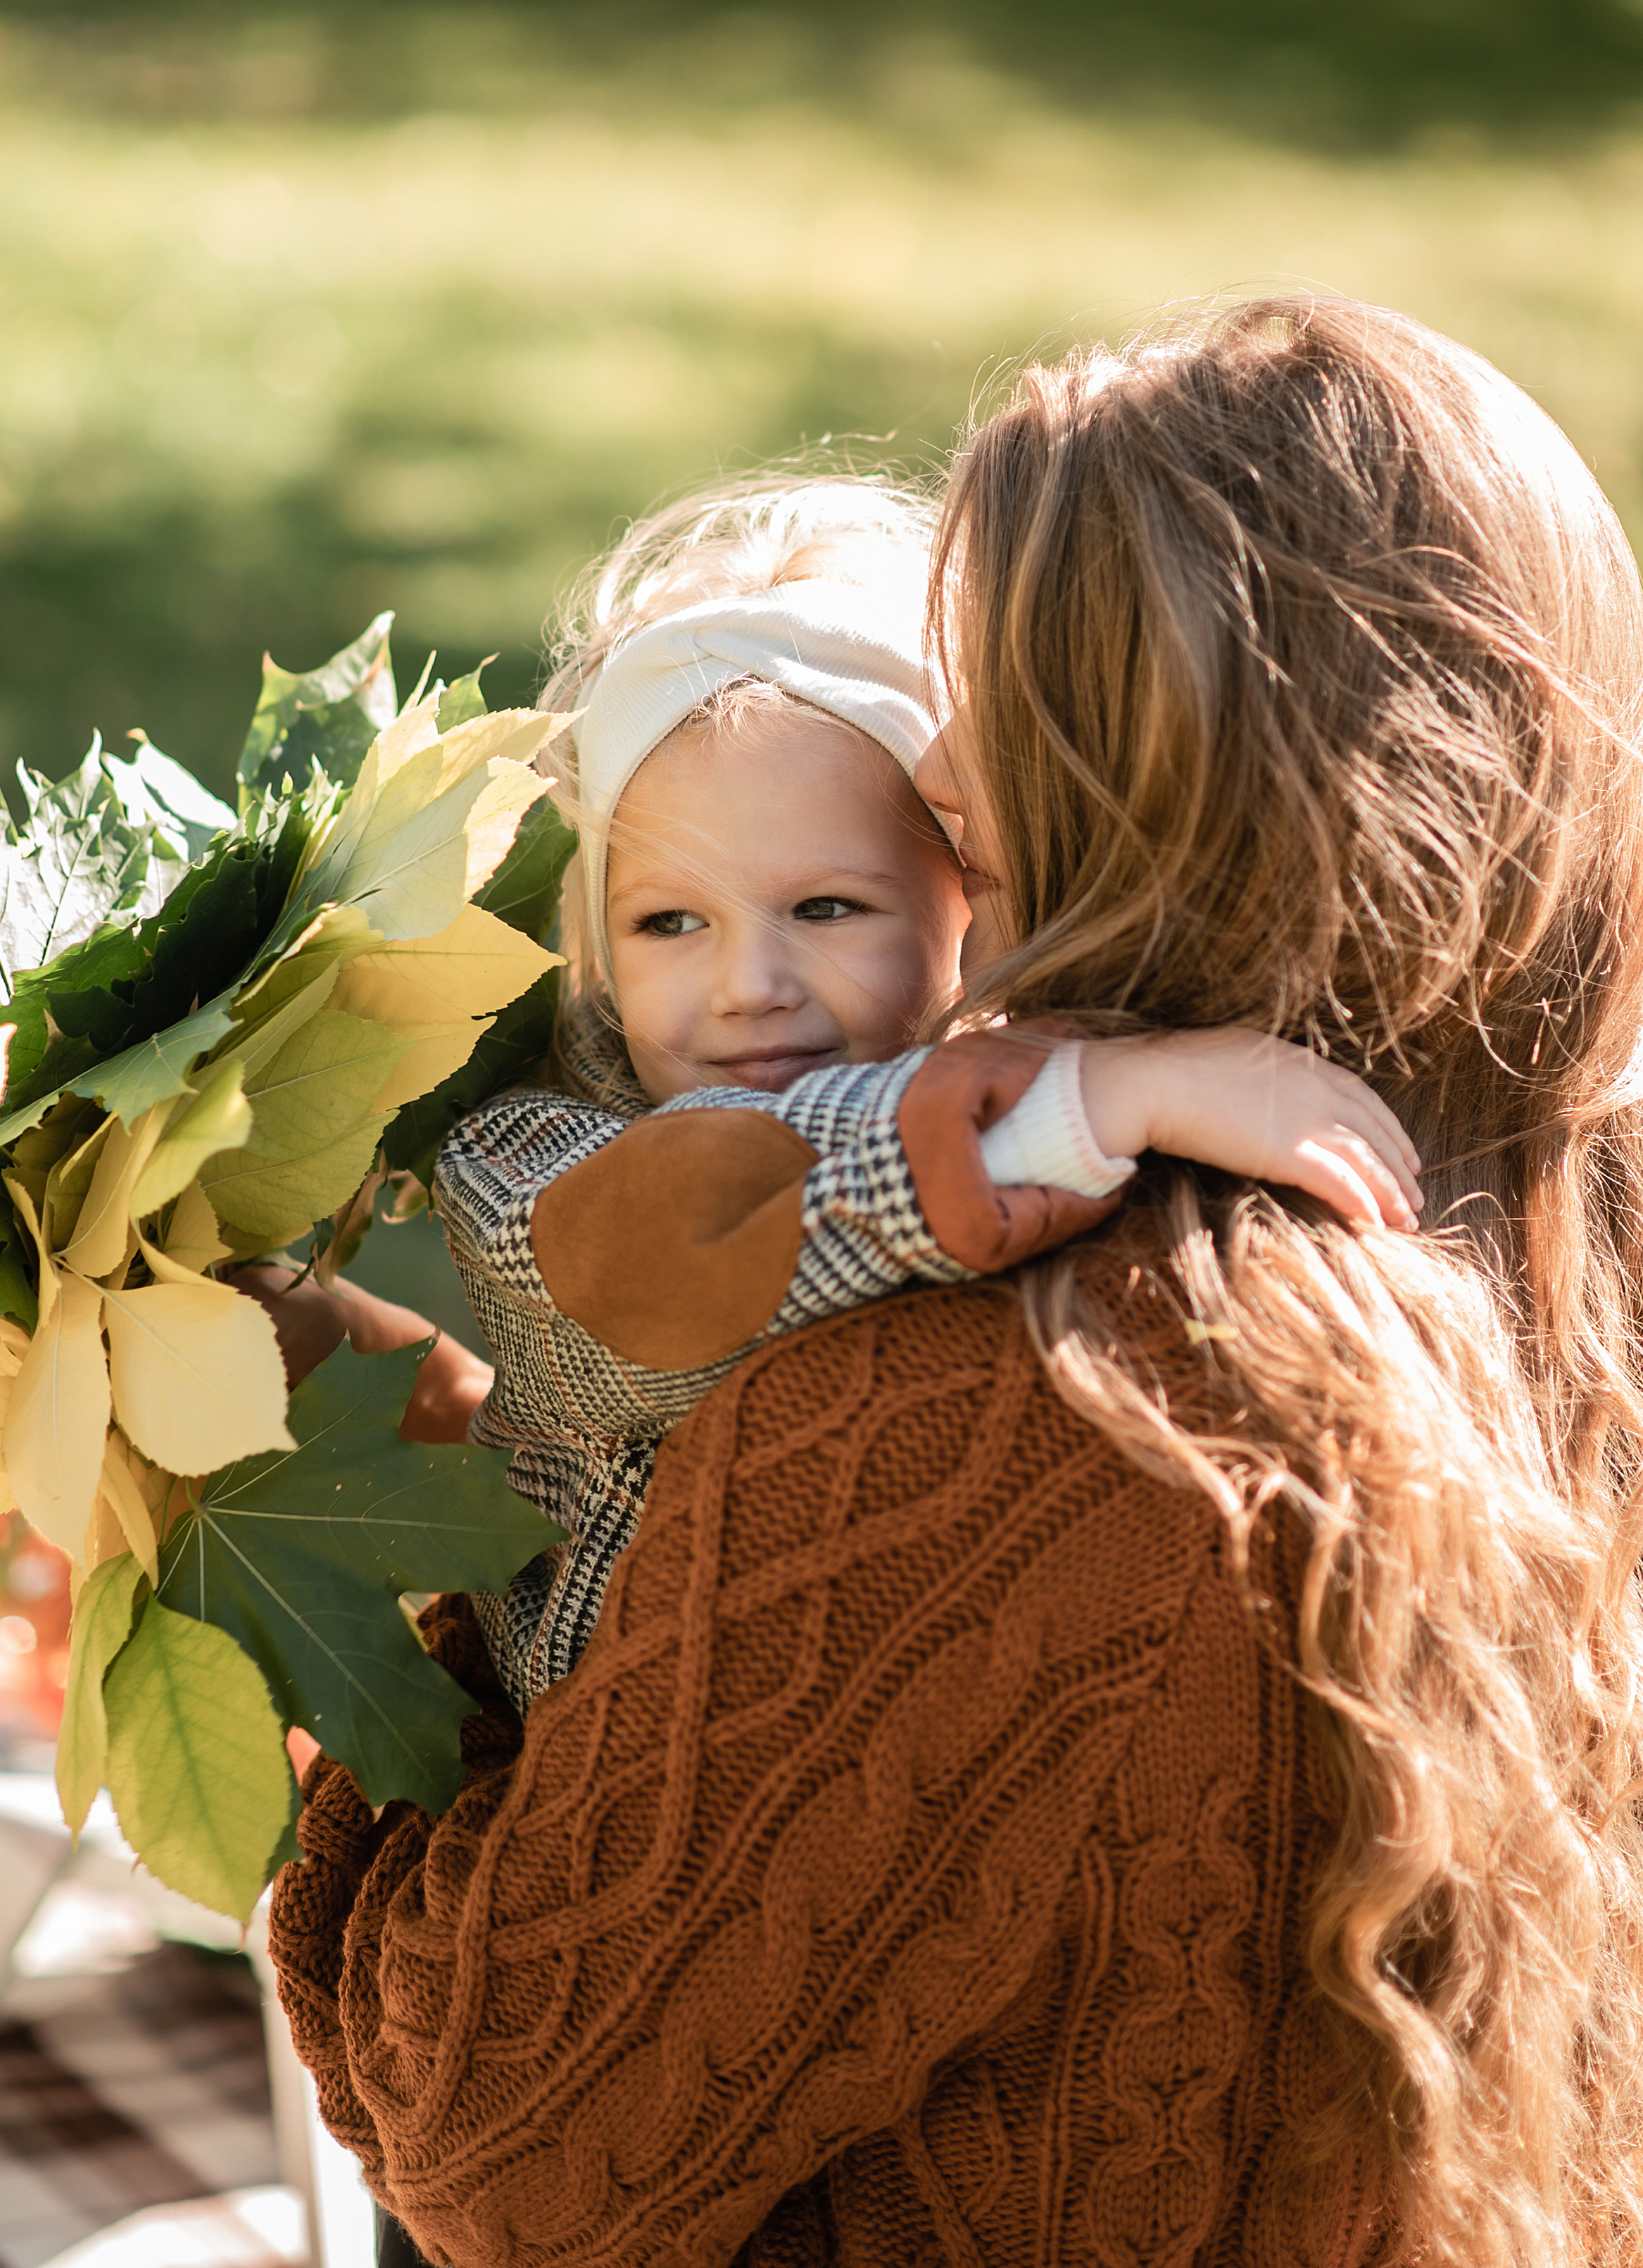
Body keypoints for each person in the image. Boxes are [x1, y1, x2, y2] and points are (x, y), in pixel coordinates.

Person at [271, 297, 1643, 2268]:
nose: (937, 748)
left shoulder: (1018, 1410)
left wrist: (403, 1660)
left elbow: (497, 2142)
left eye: (989, 674)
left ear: (1153, 764)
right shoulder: (1574, 1226)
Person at [429, 475, 1418, 1716]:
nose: (748, 985)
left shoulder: (1017, 1064)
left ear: (972, 900)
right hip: (625, 1797)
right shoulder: (526, 1164)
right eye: (668, 922)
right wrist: (1085, 1105)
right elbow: (677, 1242)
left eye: (827, 907)